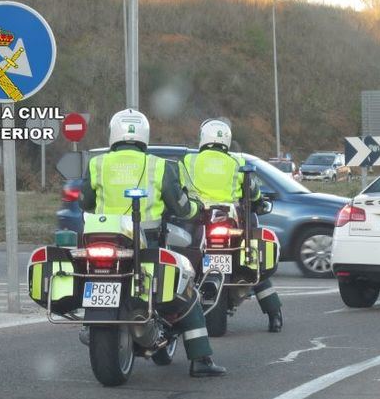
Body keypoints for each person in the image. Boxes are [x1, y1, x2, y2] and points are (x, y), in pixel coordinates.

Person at [80, 109, 226, 377]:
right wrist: (197, 210)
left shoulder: (96, 163)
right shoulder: (159, 166)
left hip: (101, 240)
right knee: (187, 293)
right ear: (144, 136)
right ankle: (201, 360)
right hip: (147, 245)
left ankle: (93, 323)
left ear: (113, 134)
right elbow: (181, 208)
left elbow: (85, 202)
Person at [181, 118, 283, 332]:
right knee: (254, 267)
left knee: (187, 265)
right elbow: (253, 192)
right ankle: (275, 315)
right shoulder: (237, 162)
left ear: (203, 138)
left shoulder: (188, 161)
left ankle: (185, 313)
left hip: (199, 222)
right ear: (227, 140)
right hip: (232, 223)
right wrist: (258, 202)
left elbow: (178, 192)